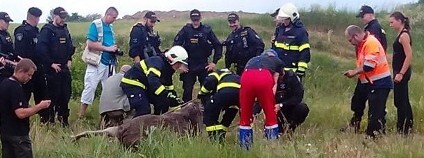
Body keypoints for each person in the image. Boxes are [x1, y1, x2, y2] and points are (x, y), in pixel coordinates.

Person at [343, 25, 392, 138]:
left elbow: (369, 66)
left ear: (355, 36)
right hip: (367, 81)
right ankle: (354, 125)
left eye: (350, 40)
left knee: (375, 111)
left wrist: (354, 72)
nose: (351, 43)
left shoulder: (371, 43)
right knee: (357, 102)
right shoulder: (362, 44)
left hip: (380, 82)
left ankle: (374, 135)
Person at [0, 59, 51, 158]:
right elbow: (20, 113)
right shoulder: (15, 87)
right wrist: (40, 106)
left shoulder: (4, 83)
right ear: (20, 71)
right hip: (18, 135)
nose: (30, 78)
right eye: (29, 75)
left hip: (5, 133)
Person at [120, 46, 187, 117]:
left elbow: (168, 87)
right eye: (179, 64)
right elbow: (153, 81)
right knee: (144, 109)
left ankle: (157, 122)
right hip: (132, 83)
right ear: (173, 60)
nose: (180, 66)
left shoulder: (168, 69)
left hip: (144, 85)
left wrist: (175, 99)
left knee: (163, 102)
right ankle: (137, 127)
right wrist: (166, 94)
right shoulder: (157, 62)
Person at [36, 7, 75, 127]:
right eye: (61, 17)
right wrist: (50, 63)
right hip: (51, 69)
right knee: (52, 96)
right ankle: (49, 121)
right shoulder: (47, 30)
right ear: (55, 16)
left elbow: (70, 46)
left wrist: (69, 58)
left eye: (64, 17)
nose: (63, 20)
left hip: (64, 68)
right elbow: (41, 50)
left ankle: (64, 120)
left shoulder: (65, 29)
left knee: (65, 95)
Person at [173, 9, 223, 102]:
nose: (195, 22)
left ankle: (206, 112)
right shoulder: (186, 30)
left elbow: (217, 45)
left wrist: (214, 62)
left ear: (200, 18)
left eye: (197, 19)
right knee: (187, 91)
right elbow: (176, 46)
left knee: (206, 90)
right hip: (188, 65)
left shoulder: (206, 30)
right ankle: (185, 113)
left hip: (203, 64)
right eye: (193, 19)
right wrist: (180, 64)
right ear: (191, 19)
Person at [79, 7, 119, 118]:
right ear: (108, 14)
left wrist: (114, 49)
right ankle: (81, 115)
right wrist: (108, 49)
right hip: (97, 61)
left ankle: (107, 115)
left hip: (109, 62)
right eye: (114, 17)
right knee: (90, 87)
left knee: (110, 89)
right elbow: (90, 44)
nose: (114, 20)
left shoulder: (111, 27)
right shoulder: (96, 25)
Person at [239, 49, 283, 150]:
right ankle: (272, 147)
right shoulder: (277, 62)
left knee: (245, 117)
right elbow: (275, 82)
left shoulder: (252, 60)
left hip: (246, 76)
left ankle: (245, 149)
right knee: (270, 116)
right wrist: (268, 101)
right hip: (263, 76)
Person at [14, 7, 48, 120]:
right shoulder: (22, 31)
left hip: (38, 70)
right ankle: (23, 119)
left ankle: (44, 120)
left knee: (42, 95)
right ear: (33, 17)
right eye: (38, 18)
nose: (38, 20)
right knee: (24, 96)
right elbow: (20, 54)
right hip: (27, 70)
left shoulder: (37, 31)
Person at [197, 69, 240, 142]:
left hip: (224, 94)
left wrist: (202, 93)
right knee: (230, 113)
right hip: (239, 97)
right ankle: (222, 133)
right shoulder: (235, 76)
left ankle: (216, 140)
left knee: (209, 117)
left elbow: (209, 81)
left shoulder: (217, 73)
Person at [272, 3, 311, 79]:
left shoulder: (300, 32)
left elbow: (305, 53)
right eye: (282, 19)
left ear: (292, 18)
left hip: (293, 73)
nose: (283, 21)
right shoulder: (280, 30)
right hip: (279, 72)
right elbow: (275, 49)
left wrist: (300, 72)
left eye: (285, 19)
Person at [389, 11, 413, 135]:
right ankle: (406, 126)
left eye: (392, 22)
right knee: (402, 99)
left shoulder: (404, 36)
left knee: (400, 100)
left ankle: (403, 128)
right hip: (398, 71)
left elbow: (409, 56)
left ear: (399, 21)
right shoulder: (401, 34)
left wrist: (401, 73)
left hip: (402, 72)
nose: (390, 25)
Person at [99, 65, 132, 129]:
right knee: (135, 98)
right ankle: (127, 125)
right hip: (116, 109)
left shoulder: (110, 78)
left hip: (103, 109)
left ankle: (111, 124)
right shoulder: (125, 78)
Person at [0, 12, 18, 82]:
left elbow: (11, 50)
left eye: (9, 22)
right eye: (6, 21)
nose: (8, 24)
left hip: (9, 69)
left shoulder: (6, 34)